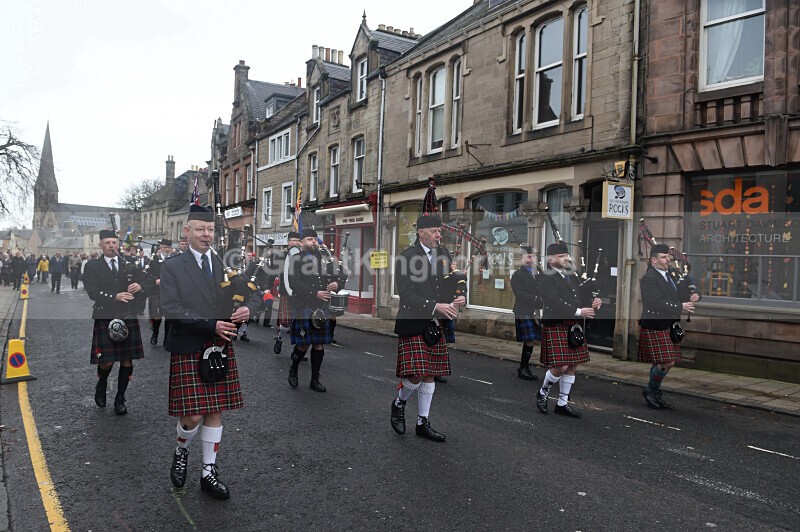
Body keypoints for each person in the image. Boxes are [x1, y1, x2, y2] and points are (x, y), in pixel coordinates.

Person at [160, 204, 261, 500]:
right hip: (191, 343)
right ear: (187, 231)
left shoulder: (224, 264)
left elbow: (252, 295)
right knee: (191, 415)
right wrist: (211, 325)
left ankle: (208, 471)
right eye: (200, 229)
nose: (206, 235)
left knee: (215, 410)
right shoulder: (172, 266)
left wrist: (247, 309)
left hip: (219, 346)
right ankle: (181, 450)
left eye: (209, 230)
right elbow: (172, 310)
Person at [390, 215, 465, 442]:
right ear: (420, 232)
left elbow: (454, 279)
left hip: (436, 323)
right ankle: (399, 402)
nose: (439, 235)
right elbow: (407, 294)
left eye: (439, 231)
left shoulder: (443, 254)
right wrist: (435, 307)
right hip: (414, 321)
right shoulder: (406, 257)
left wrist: (460, 295)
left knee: (430, 374)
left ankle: (423, 422)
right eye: (434, 231)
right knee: (416, 376)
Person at [83, 230, 154, 415]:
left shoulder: (128, 265)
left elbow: (149, 280)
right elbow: (92, 292)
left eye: (114, 242)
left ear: (118, 245)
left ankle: (120, 398)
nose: (111, 246)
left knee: (127, 360)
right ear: (101, 245)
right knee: (106, 362)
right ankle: (102, 383)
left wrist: (141, 286)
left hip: (127, 315)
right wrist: (114, 297)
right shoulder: (92, 266)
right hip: (105, 315)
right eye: (107, 242)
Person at [535, 242, 602, 419]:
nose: (567, 258)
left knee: (572, 365)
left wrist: (594, 302)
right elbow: (553, 301)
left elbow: (580, 297)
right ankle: (543, 392)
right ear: (550, 260)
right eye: (562, 256)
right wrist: (580, 311)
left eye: (566, 255)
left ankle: (562, 404)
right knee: (560, 366)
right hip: (556, 324)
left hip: (573, 326)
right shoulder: (545, 277)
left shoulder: (571, 275)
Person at [638, 244, 700, 410]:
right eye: (664, 257)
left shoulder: (671, 275)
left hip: (669, 324)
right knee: (667, 361)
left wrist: (694, 295)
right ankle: (651, 391)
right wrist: (681, 307)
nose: (668, 260)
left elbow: (681, 293)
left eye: (668, 257)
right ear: (653, 260)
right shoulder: (649, 278)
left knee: (662, 361)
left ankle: (653, 392)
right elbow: (653, 302)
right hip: (655, 324)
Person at [286, 228, 339, 392]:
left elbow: (338, 274)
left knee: (319, 344)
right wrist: (314, 293)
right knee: (303, 344)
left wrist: (337, 283)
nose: (313, 242)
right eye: (310, 239)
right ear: (302, 243)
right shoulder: (296, 259)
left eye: (315, 239)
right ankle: (293, 369)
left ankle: (314, 380)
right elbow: (294, 282)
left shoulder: (324, 258)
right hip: (304, 305)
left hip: (320, 307)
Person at [510, 246, 542, 380]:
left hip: (536, 311)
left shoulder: (539, 272)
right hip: (524, 310)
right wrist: (537, 299)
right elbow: (520, 294)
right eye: (528, 256)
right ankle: (523, 367)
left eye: (533, 256)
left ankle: (524, 366)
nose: (531, 259)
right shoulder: (517, 275)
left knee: (533, 339)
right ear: (522, 258)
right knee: (530, 339)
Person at [273, 231, 302, 354]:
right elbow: (276, 269)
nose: (295, 242)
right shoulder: (282, 256)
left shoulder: (303, 255)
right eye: (293, 240)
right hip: (286, 291)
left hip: (300, 292)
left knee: (300, 322)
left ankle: (299, 348)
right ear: (288, 242)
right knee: (285, 321)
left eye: (297, 240)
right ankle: (280, 339)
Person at [147, 239, 173, 345]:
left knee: (169, 317)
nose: (167, 250)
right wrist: (155, 281)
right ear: (160, 248)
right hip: (156, 291)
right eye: (164, 247)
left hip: (171, 293)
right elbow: (146, 274)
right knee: (156, 316)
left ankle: (167, 338)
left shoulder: (175, 260)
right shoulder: (153, 260)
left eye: (169, 248)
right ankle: (155, 334)